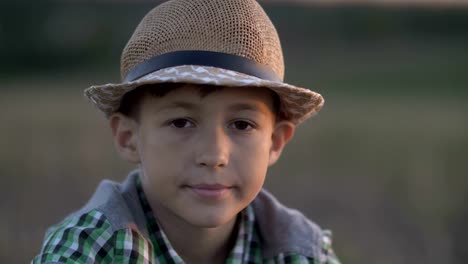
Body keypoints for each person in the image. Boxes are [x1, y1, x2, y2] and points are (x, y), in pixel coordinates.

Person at [33, 0, 340, 263]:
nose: (214, 155)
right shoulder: (88, 249)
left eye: (242, 125)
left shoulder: (302, 251)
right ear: (128, 138)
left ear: (274, 141)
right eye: (181, 122)